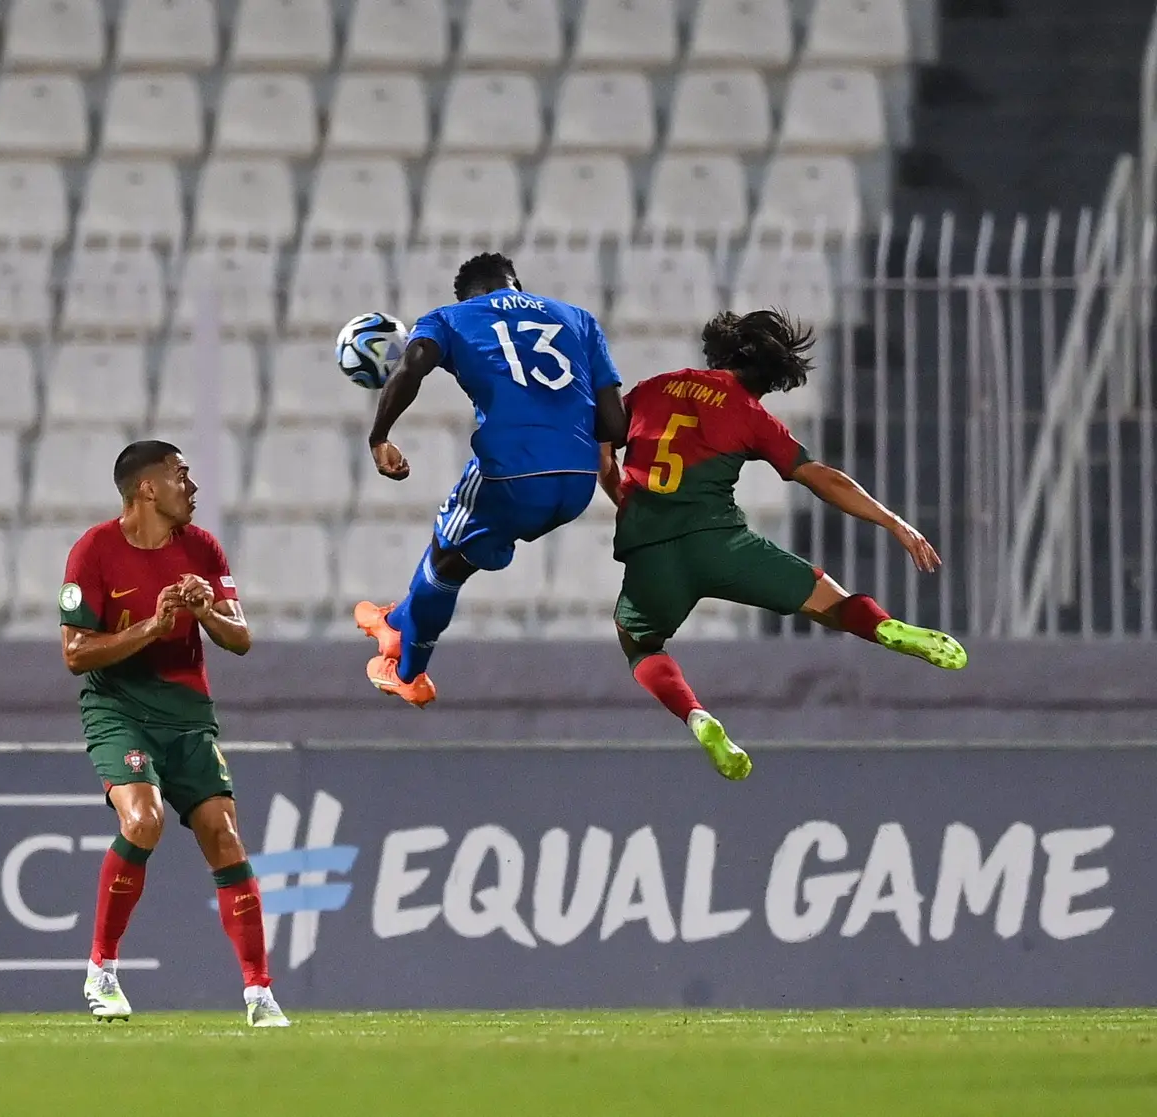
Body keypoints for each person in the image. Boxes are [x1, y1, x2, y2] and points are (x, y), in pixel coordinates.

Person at [600, 309, 967, 780]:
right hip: (721, 545)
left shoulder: (652, 388)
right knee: (829, 600)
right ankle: (886, 628)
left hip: (649, 551)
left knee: (640, 644)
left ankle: (697, 716)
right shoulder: (750, 414)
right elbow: (821, 478)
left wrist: (626, 500)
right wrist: (893, 522)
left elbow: (606, 449)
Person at [57, 439, 290, 1028]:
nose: (192, 486)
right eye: (181, 475)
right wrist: (155, 627)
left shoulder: (202, 548)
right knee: (143, 819)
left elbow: (239, 639)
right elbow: (76, 653)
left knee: (225, 834)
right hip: (119, 709)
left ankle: (259, 993)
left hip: (187, 715)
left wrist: (205, 610)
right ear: (147, 488)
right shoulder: (94, 551)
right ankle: (102, 970)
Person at [356, 252, 628, 705]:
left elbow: (414, 361)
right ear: (515, 284)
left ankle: (407, 670)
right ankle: (398, 622)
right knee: (460, 556)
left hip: (513, 473)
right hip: (577, 484)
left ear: (468, 296)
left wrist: (379, 436)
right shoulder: (579, 320)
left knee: (443, 557)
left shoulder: (452, 317)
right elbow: (615, 428)